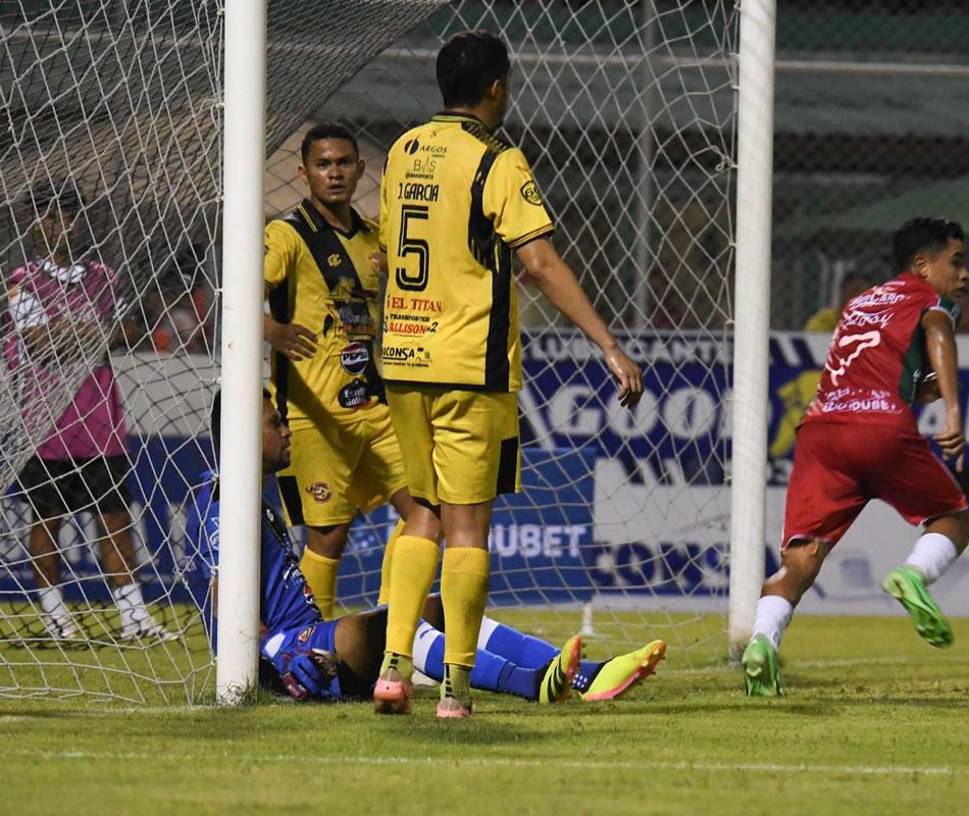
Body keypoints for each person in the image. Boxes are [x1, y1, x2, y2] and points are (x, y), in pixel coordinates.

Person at [375, 30, 646, 718]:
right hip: (469, 364)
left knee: (421, 519)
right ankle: (457, 690)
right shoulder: (495, 157)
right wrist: (608, 344)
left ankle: (393, 667)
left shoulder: (404, 150)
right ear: (497, 86)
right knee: (467, 532)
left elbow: (387, 249)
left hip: (403, 359)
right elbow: (541, 262)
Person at [187, 390, 666, 705]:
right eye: (276, 423)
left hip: (309, 641)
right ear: (243, 432)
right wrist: (275, 652)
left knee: (437, 607)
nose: (288, 429)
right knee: (398, 625)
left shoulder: (249, 497)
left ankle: (576, 672)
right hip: (290, 656)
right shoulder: (220, 502)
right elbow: (218, 592)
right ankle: (536, 683)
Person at [741, 217, 969, 697]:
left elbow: (881, 367)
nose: (965, 274)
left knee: (801, 557)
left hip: (821, 432)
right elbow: (938, 336)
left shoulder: (859, 303)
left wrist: (918, 388)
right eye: (957, 261)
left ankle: (762, 641)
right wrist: (952, 411)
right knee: (952, 518)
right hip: (878, 427)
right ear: (922, 265)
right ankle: (913, 574)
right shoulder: (930, 300)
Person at [263, 122, 417, 619]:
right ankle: (311, 647)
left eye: (344, 163)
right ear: (303, 172)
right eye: (324, 164)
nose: (335, 173)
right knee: (328, 535)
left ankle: (396, 636)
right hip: (311, 414)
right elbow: (233, 294)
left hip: (373, 406)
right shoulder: (286, 235)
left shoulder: (374, 241)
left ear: (360, 169)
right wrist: (271, 329)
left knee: (424, 508)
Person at [5, 182, 170, 642]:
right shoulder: (21, 280)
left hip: (100, 416)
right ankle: (57, 618)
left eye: (69, 215)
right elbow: (39, 343)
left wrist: (70, 328)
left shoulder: (103, 275)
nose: (62, 224)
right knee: (47, 519)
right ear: (35, 223)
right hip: (47, 418)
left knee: (115, 517)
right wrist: (92, 330)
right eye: (51, 216)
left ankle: (134, 619)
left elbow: (130, 329)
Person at [803, 273, 873, 332]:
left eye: (863, 295)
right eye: (854, 291)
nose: (856, 297)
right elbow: (813, 337)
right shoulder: (825, 319)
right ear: (843, 293)